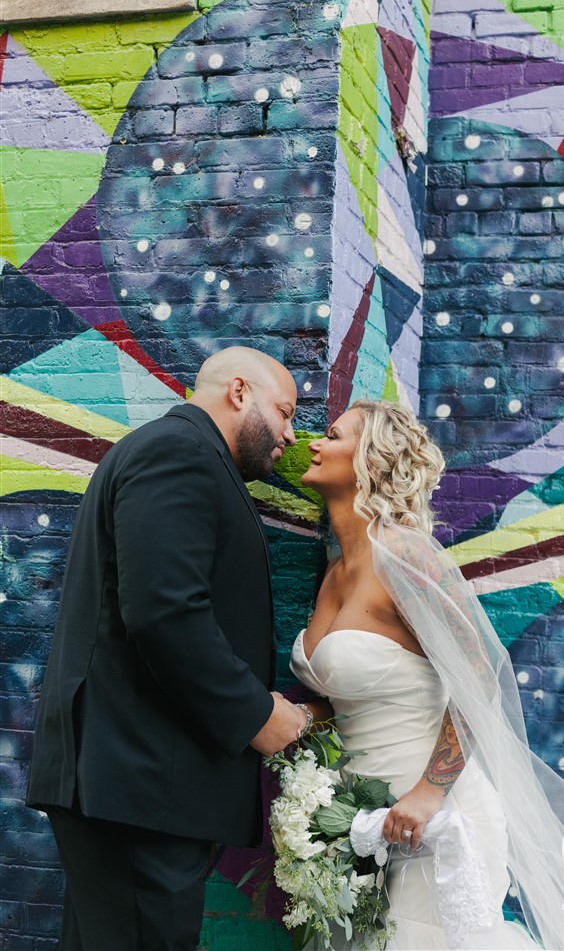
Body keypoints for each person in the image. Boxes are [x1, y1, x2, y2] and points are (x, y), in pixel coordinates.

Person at [291, 399, 564, 950]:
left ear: (371, 459)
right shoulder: (332, 572)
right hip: (363, 825)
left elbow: (480, 672)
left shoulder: (406, 554)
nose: (315, 444)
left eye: (332, 435)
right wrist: (299, 715)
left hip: (438, 818)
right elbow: (359, 691)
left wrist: (429, 790)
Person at [26, 346, 311, 951]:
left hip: (134, 789)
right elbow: (164, 612)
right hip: (136, 788)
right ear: (240, 392)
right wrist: (255, 715)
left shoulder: (184, 455)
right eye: (284, 412)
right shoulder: (178, 452)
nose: (290, 434)